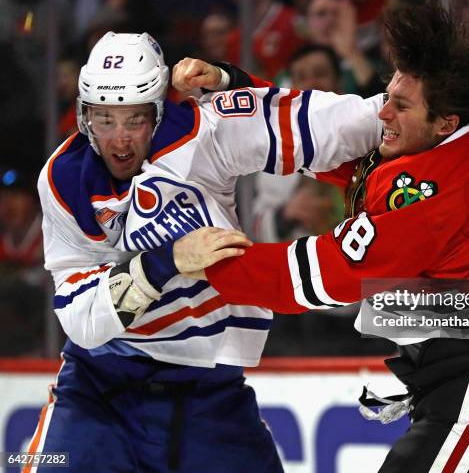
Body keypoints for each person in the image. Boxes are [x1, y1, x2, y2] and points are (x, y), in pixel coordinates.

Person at [187, 2, 469, 472]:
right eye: (388, 96)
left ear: (445, 122)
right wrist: (235, 87)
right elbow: (332, 149)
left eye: (401, 106)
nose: (382, 111)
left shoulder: (429, 199)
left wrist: (193, 259)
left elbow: (307, 277)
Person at [30, 31, 387, 472]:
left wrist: (454, 103)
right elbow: (79, 316)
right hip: (100, 390)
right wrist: (168, 262)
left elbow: (345, 123)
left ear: (158, 111)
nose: (119, 141)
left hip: (210, 397)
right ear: (84, 116)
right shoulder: (63, 180)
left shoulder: (207, 131)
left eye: (135, 120)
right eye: (104, 120)